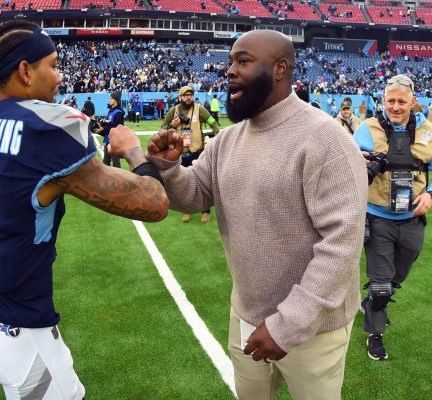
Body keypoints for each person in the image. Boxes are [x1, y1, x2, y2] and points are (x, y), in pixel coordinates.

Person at [0, 20, 168, 400]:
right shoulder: (45, 129)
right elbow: (155, 203)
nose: (61, 77)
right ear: (26, 72)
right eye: (53, 64)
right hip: (21, 331)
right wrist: (132, 149)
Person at [111, 29, 368, 399]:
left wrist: (287, 324)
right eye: (231, 61)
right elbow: (194, 195)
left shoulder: (326, 140)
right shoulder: (228, 140)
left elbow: (341, 247)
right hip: (246, 316)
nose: (230, 70)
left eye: (243, 61)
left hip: (314, 329)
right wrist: (168, 169)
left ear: (280, 69)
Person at [352, 74, 432, 361]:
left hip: (412, 218)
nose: (396, 107)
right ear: (382, 100)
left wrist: (429, 194)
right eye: (390, 101)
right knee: (382, 283)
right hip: (378, 218)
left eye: (401, 101)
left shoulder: (428, 131)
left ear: (413, 100)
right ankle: (375, 334)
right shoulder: (367, 128)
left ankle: (372, 299)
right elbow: (346, 164)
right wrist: (356, 159)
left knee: (399, 273)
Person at [162, 85, 220, 223]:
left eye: (190, 95)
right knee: (181, 184)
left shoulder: (200, 109)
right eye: (185, 95)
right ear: (180, 97)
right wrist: (172, 124)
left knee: (204, 183)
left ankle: (205, 211)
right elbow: (163, 130)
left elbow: (214, 124)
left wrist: (215, 141)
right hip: (180, 153)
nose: (188, 97)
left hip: (197, 152)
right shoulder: (173, 111)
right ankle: (186, 211)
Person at [93, 92, 125, 168]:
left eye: (111, 98)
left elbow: (116, 128)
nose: (109, 100)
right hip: (108, 140)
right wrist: (100, 129)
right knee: (105, 162)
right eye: (109, 98)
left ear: (116, 100)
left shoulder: (118, 113)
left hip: (115, 142)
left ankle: (119, 179)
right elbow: (108, 125)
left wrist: (103, 128)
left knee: (116, 163)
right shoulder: (111, 111)